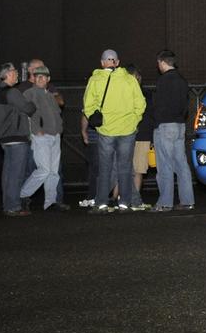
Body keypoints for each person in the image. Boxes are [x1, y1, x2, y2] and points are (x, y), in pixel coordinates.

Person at [82, 49, 145, 214]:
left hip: (106, 130)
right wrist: (134, 120)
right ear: (117, 62)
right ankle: (124, 203)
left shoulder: (95, 80)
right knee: (125, 167)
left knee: (105, 168)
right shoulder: (130, 80)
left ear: (102, 63)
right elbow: (141, 103)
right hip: (127, 130)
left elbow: (88, 106)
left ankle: (101, 203)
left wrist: (98, 123)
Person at [18, 65, 69, 212]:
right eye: (37, 76)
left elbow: (57, 114)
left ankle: (50, 202)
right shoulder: (29, 93)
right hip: (41, 137)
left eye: (43, 76)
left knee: (53, 171)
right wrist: (36, 130)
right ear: (34, 78)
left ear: (48, 79)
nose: (40, 78)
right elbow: (25, 113)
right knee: (44, 170)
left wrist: (59, 130)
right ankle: (23, 195)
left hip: (55, 136)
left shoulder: (49, 95)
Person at [152, 49, 196, 211]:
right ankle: (187, 200)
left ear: (163, 62)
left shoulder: (163, 81)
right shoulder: (182, 80)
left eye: (158, 63)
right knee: (181, 164)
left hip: (164, 126)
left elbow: (158, 106)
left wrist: (156, 122)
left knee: (165, 165)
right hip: (179, 126)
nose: (158, 66)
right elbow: (185, 105)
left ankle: (165, 203)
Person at [0, 63, 35, 217]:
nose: (17, 74)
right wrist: (32, 103)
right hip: (17, 136)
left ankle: (8, 205)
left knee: (8, 174)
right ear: (7, 74)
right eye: (14, 71)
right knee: (16, 174)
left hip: (5, 137)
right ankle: (14, 207)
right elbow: (29, 108)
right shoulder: (12, 92)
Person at [128, 66, 153, 210]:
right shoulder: (126, 94)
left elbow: (148, 116)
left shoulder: (146, 94)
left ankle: (134, 198)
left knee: (137, 169)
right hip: (130, 134)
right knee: (128, 168)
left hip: (140, 135)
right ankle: (125, 198)